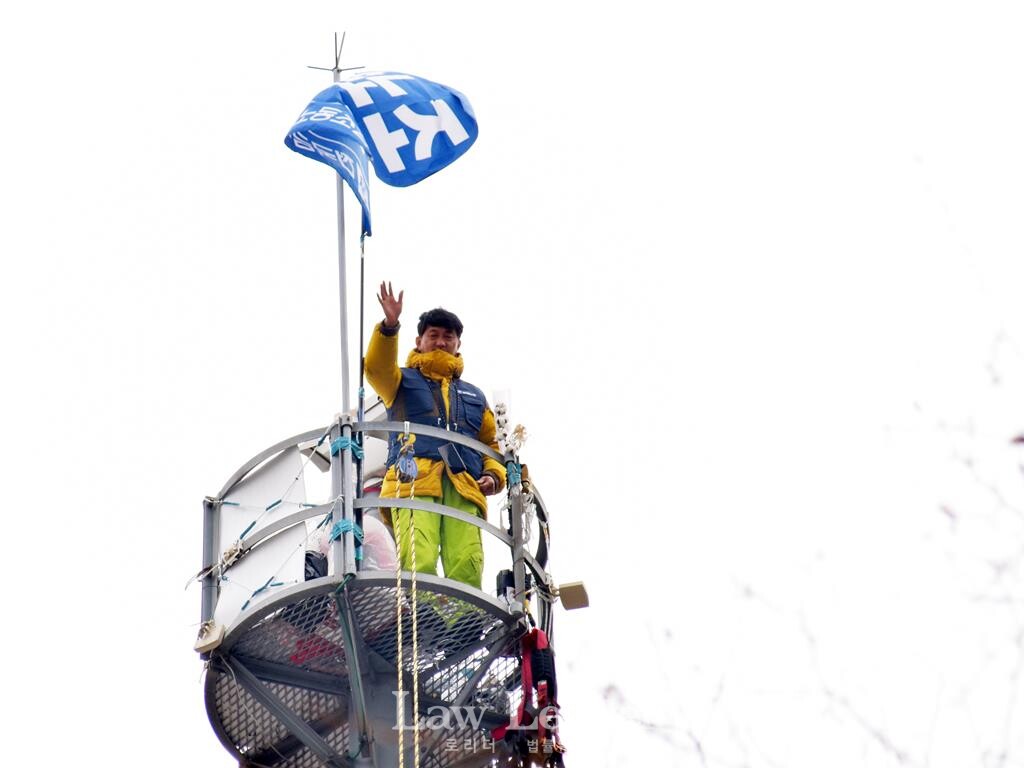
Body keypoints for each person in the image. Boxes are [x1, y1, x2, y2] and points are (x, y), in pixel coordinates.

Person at [365, 281, 506, 589]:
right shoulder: (400, 381)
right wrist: (390, 326)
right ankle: (424, 619)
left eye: (448, 336)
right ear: (419, 340)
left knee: (467, 561)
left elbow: (490, 445)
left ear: (458, 343)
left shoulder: (474, 395)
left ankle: (461, 625)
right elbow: (375, 369)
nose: (441, 342)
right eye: (434, 335)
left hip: (464, 485)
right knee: (420, 557)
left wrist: (494, 477)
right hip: (414, 480)